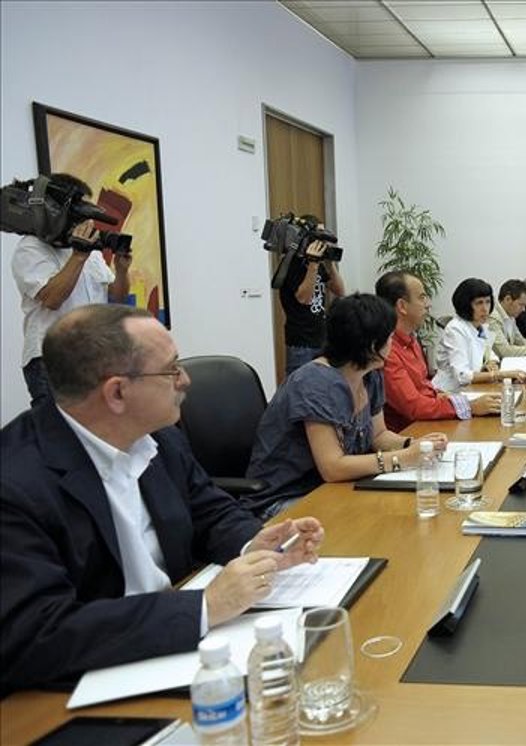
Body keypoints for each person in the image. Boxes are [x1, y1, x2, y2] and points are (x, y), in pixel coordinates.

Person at [0, 305, 325, 695]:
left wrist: (255, 544)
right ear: (117, 392)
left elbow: (210, 510)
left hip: (184, 650)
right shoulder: (16, 482)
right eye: (171, 370)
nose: (185, 380)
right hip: (86, 685)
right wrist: (205, 606)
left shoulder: (159, 437)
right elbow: (35, 632)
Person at [243, 293, 446, 519]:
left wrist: (415, 445)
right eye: (389, 338)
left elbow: (378, 436)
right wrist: (403, 458)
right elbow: (332, 467)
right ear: (371, 345)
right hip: (287, 500)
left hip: (332, 490)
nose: (392, 344)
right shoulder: (316, 383)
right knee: (387, 518)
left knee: (400, 512)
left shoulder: (370, 374)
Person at [11, 173, 131, 408]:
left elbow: (116, 297)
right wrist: (78, 255)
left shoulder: (91, 252)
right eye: (81, 213)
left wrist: (121, 269)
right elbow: (52, 299)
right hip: (53, 359)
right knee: (59, 429)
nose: (87, 222)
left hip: (95, 355)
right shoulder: (31, 248)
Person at [375, 271, 501, 431]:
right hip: (410, 431)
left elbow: (424, 387)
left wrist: (449, 398)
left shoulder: (411, 339)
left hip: (430, 420)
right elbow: (413, 406)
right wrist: (468, 406)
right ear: (402, 306)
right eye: (422, 297)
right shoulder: (387, 350)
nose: (428, 304)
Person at [432, 278, 526, 393]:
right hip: (448, 392)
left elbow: (490, 354)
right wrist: (500, 374)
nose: (485, 309)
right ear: (466, 305)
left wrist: (492, 363)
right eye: (479, 303)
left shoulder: (480, 325)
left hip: (472, 389)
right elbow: (462, 375)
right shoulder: (455, 329)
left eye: (488, 302)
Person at [277, 216, 345, 375]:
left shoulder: (318, 264)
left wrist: (329, 263)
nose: (323, 239)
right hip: (301, 342)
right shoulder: (292, 263)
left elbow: (340, 291)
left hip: (321, 339)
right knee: (301, 386)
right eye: (319, 234)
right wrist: (313, 264)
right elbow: (304, 299)